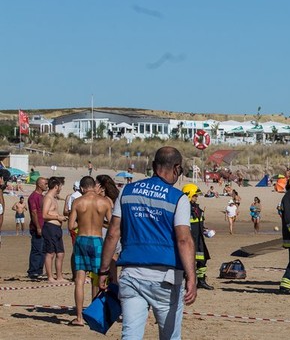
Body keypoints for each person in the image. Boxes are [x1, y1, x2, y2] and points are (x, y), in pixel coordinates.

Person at [98, 146, 197, 340]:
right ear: (177, 168)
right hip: (166, 277)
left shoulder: (127, 191)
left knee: (130, 334)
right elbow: (183, 239)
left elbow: (112, 234)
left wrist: (103, 270)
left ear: (153, 166)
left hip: (131, 273)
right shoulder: (178, 198)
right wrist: (192, 276)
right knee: (169, 336)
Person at [68, 176, 112, 326]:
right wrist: (100, 224)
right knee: (99, 278)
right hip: (97, 240)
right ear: (94, 186)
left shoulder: (78, 202)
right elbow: (112, 224)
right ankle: (95, 314)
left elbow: (70, 226)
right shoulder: (104, 202)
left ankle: (79, 317)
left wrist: (82, 221)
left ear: (81, 188)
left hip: (82, 239)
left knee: (79, 280)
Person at [181, 184, 214, 290]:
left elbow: (200, 223)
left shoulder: (197, 209)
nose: (196, 197)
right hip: (189, 240)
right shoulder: (183, 210)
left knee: (202, 260)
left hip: (199, 239)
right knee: (187, 261)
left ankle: (201, 281)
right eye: (195, 195)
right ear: (189, 195)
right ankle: (185, 281)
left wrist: (205, 231)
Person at [42, 177, 67, 282]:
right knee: (50, 253)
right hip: (50, 228)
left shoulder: (54, 198)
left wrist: (61, 217)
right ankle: (50, 277)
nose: (61, 188)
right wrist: (58, 217)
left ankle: (60, 276)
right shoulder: (48, 198)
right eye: (60, 186)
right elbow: (44, 215)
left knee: (60, 253)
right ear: (56, 186)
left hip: (57, 228)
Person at [27, 177, 48, 279]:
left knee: (43, 249)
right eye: (45, 183)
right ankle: (33, 271)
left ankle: (39, 270)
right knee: (37, 249)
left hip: (45, 226)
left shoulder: (42, 197)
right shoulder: (33, 197)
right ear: (39, 185)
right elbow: (34, 213)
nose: (46, 185)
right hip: (37, 226)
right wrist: (38, 227)